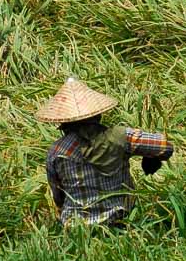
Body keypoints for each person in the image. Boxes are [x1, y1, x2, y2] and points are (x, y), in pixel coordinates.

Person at [37, 77, 174, 227]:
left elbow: (58, 196)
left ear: (64, 122)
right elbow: (165, 146)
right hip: (120, 221)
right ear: (98, 115)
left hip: (77, 228)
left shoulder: (56, 151)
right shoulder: (122, 137)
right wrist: (150, 156)